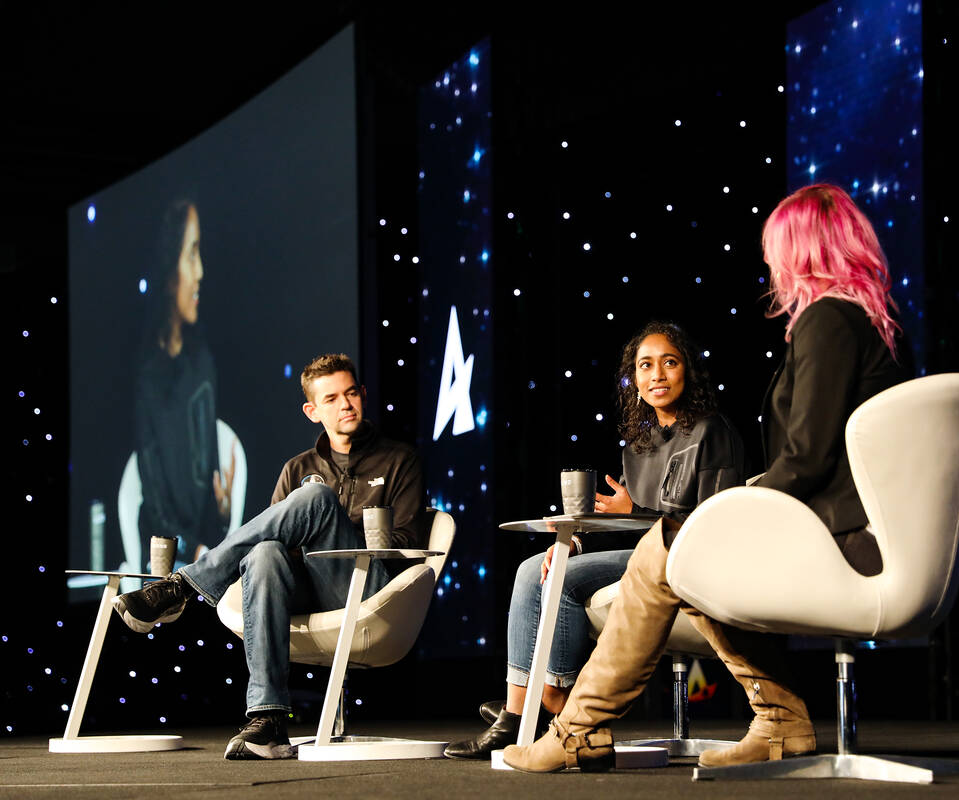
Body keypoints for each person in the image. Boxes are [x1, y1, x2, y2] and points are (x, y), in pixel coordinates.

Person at [501, 183, 912, 773]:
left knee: (675, 550)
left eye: (776, 249)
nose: (772, 264)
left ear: (801, 248)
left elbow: (810, 457)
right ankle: (772, 720)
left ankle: (579, 731)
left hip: (841, 536)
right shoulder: (877, 322)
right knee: (670, 551)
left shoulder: (829, 320)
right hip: (859, 525)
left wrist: (738, 505)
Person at [443, 321, 746, 759]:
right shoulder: (638, 445)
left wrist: (636, 513)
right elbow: (617, 526)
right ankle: (514, 712)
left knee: (562, 583)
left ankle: (555, 701)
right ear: (635, 379)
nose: (657, 374)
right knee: (535, 568)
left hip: (687, 560)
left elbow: (716, 523)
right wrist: (574, 545)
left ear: (688, 372)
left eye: (669, 362)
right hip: (641, 555)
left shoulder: (712, 432)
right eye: (646, 365)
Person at [112, 353, 426, 760]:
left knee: (315, 498)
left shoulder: (400, 460)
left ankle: (183, 586)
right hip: (312, 591)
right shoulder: (298, 467)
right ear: (312, 411)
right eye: (331, 399)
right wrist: (308, 530)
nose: (345, 404)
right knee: (263, 555)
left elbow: (407, 540)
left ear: (363, 396)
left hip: (371, 589)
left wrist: (335, 524)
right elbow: (272, 541)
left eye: (351, 393)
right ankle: (269, 720)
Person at [134, 199, 234, 563]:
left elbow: (207, 471)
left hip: (205, 551)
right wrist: (192, 548)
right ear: (168, 267)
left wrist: (222, 514)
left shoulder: (202, 363)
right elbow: (155, 495)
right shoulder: (148, 380)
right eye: (191, 254)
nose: (201, 272)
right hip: (166, 553)